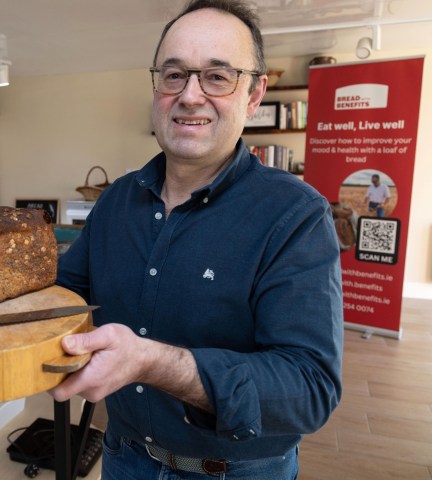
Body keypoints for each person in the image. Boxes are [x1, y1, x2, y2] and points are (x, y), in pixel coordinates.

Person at [51, 1, 343, 478]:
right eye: (173, 75)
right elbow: (65, 300)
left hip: (237, 470)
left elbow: (308, 389)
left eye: (217, 76)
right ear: (156, 87)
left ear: (254, 95)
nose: (189, 95)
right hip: (124, 458)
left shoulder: (295, 215)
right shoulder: (116, 201)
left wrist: (153, 362)